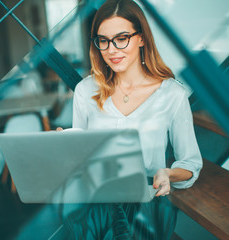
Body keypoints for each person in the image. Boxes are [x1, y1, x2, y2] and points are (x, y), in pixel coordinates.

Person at [57, 0, 202, 238]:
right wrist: (61, 146)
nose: (111, 50)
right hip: (97, 200)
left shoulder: (172, 94)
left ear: (142, 38)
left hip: (145, 200)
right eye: (103, 40)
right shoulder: (85, 91)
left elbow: (190, 164)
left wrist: (167, 173)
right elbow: (78, 157)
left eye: (121, 38)